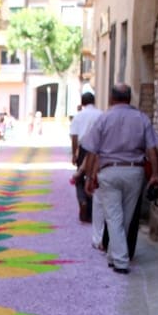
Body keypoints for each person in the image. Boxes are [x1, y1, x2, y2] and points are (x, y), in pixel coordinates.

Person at [83, 83, 158, 273]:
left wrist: (90, 176)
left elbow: (92, 151)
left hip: (109, 171)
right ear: (129, 99)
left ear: (111, 98)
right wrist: (156, 174)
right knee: (125, 216)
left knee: (114, 217)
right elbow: (152, 149)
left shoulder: (104, 118)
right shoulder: (142, 118)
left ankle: (120, 261)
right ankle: (113, 255)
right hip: (135, 171)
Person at [69, 91, 102, 226]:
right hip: (98, 149)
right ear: (94, 101)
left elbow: (74, 137)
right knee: (93, 177)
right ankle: (91, 210)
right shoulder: (101, 114)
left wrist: (74, 153)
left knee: (80, 178)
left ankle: (82, 200)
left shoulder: (79, 116)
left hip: (83, 148)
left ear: (82, 103)